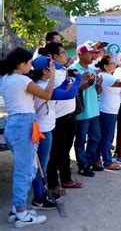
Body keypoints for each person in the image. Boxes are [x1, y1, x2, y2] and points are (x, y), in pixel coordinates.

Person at [1, 48, 55, 228]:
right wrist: (53, 76)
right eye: (29, 63)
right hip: (24, 126)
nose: (31, 66)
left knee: (27, 169)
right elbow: (47, 95)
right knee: (23, 173)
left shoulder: (6, 79)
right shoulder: (22, 80)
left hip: (14, 125)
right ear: (20, 63)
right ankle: (22, 214)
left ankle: (17, 209)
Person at [29, 56, 82, 209]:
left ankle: (41, 193)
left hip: (46, 127)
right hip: (43, 129)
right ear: (46, 71)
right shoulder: (42, 86)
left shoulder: (43, 84)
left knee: (42, 164)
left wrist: (66, 81)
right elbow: (68, 95)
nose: (55, 70)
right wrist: (77, 80)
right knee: (42, 165)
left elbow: (58, 90)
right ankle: (39, 197)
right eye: (52, 68)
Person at [39, 43, 85, 190]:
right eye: (63, 52)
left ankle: (66, 179)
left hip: (69, 117)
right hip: (58, 118)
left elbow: (64, 88)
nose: (66, 54)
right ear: (53, 57)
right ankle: (53, 184)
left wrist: (69, 80)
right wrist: (78, 80)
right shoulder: (50, 75)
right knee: (56, 152)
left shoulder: (62, 71)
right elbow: (65, 93)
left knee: (65, 150)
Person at [69, 43, 103, 177]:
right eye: (90, 54)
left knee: (96, 137)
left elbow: (97, 91)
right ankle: (82, 165)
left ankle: (90, 162)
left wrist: (99, 86)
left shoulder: (92, 70)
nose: (93, 56)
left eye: (93, 54)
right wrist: (87, 83)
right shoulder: (73, 69)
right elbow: (74, 89)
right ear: (81, 55)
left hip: (94, 109)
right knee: (81, 139)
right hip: (82, 111)